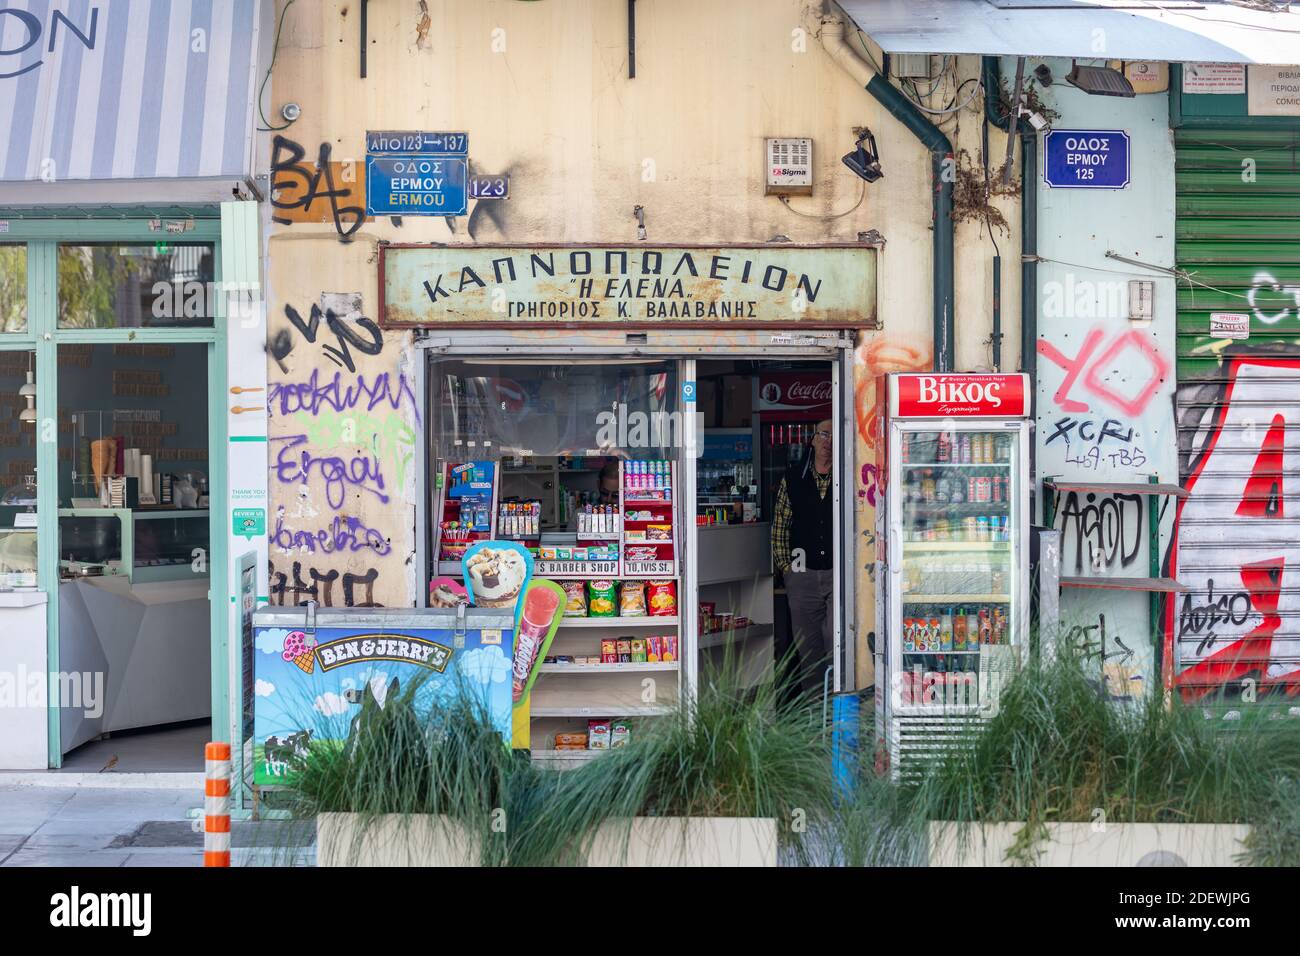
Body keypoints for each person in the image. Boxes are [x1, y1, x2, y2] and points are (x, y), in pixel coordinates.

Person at [772, 419, 835, 697]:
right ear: (812, 439)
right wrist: (788, 569)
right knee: (808, 653)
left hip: (838, 574)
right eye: (823, 434)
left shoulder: (848, 475)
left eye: (834, 435)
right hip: (802, 576)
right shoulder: (793, 477)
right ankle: (813, 720)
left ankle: (838, 712)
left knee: (838, 646)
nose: (828, 441)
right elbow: (780, 528)